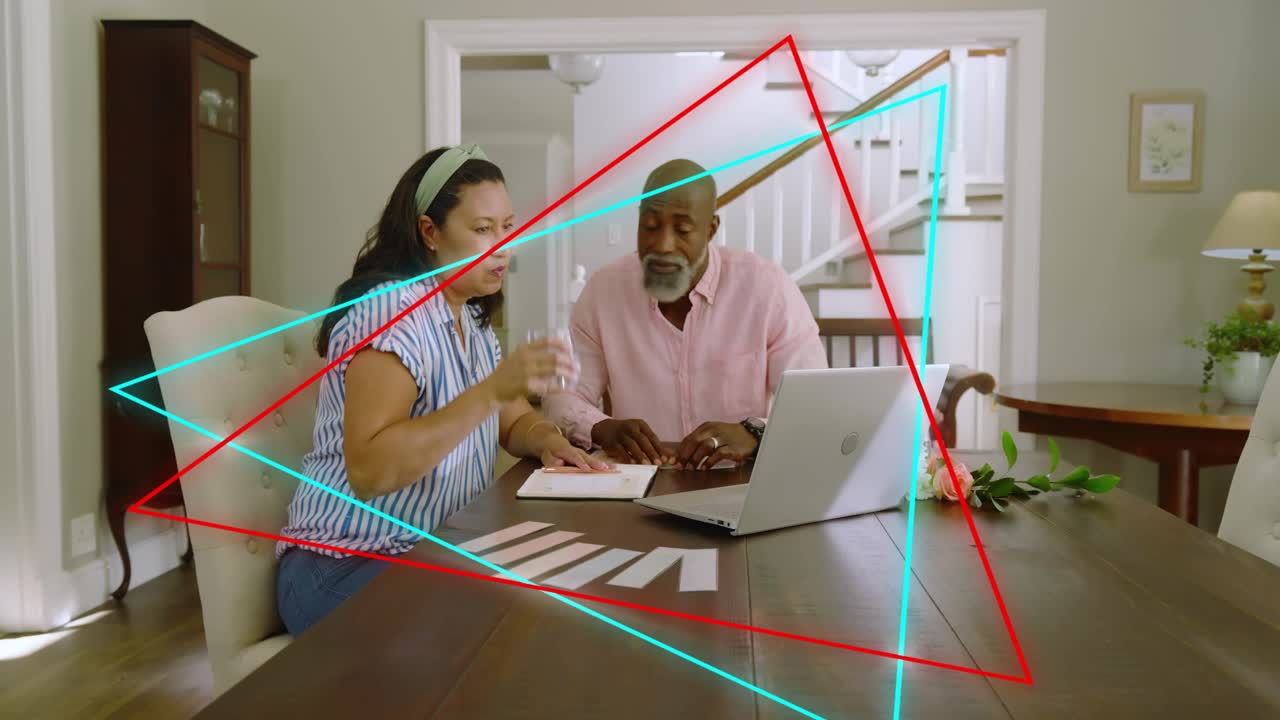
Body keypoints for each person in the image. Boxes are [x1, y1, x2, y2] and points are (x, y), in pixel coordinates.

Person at [275, 145, 609, 636]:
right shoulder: (390, 314)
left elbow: (513, 419)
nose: (503, 246)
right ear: (429, 232)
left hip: (423, 555)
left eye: (508, 226)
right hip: (340, 565)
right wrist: (491, 391)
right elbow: (371, 470)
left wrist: (547, 440)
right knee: (509, 628)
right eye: (483, 229)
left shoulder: (469, 319)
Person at [543, 159, 827, 472]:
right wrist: (601, 427)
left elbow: (813, 402)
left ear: (711, 229)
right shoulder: (603, 291)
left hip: (740, 481)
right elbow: (560, 397)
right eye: (650, 226)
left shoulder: (767, 288)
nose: (663, 245)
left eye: (682, 230)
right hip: (638, 482)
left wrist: (754, 433)